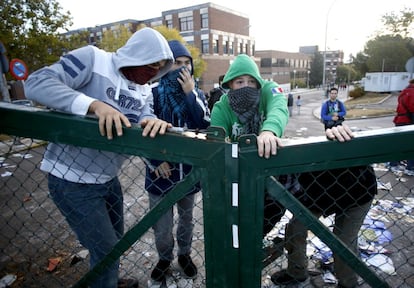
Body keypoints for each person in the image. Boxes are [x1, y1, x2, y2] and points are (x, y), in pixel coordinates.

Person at [24, 27, 175, 288]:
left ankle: (109, 281)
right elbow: (36, 84)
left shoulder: (143, 88)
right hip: (71, 178)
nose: (153, 72)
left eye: (159, 68)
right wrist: (93, 105)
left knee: (114, 242)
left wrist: (152, 121)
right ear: (136, 55)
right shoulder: (93, 59)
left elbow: (144, 114)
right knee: (105, 249)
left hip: (109, 178)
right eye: (151, 65)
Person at [271, 124, 378, 288]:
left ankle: (348, 284)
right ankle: (296, 273)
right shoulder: (284, 177)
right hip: (317, 195)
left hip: (357, 194)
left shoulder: (311, 160)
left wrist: (339, 130)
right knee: (295, 228)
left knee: (344, 241)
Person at [145, 40, 210, 283]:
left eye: (186, 64)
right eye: (176, 63)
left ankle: (184, 255)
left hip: (188, 174)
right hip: (160, 174)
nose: (182, 69)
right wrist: (155, 161)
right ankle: (164, 258)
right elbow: (141, 130)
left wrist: (190, 93)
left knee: (186, 221)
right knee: (161, 226)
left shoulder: (197, 94)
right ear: (166, 66)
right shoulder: (151, 93)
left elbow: (204, 125)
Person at [210, 54, 290, 245]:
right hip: (238, 177)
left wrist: (269, 131)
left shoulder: (268, 90)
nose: (246, 86)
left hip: (269, 174)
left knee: (272, 212)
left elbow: (279, 108)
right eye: (239, 81)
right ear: (230, 84)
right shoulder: (222, 107)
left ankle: (255, 242)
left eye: (251, 81)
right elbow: (218, 143)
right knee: (236, 221)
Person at [388, 78, 414, 176]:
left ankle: (393, 163)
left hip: (400, 120)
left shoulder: (405, 91)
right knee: (411, 146)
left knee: (399, 144)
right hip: (408, 121)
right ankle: (410, 167)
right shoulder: (412, 92)